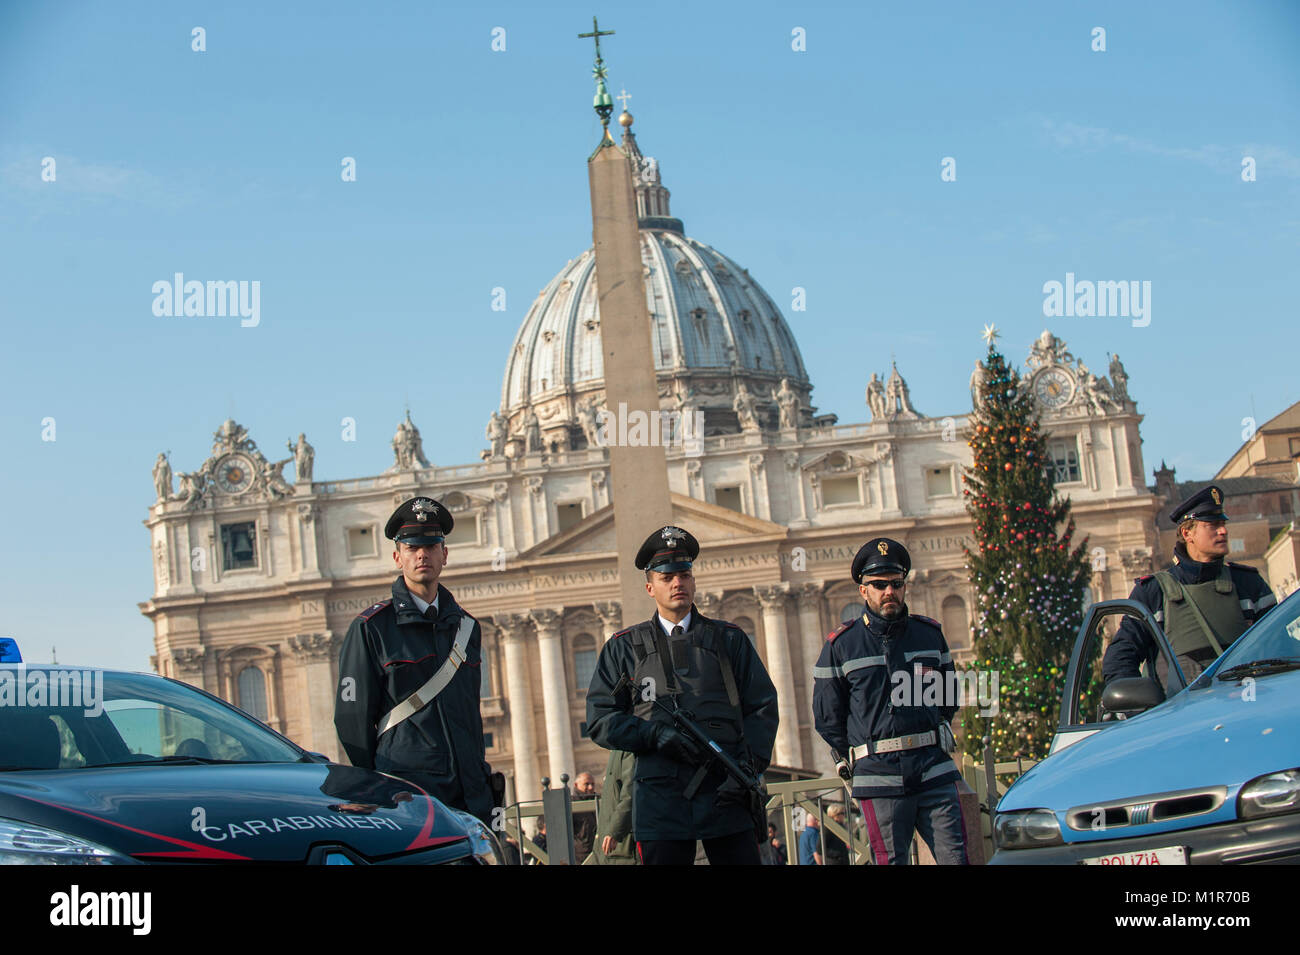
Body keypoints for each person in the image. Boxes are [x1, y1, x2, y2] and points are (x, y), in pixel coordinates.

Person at [586, 525, 779, 865]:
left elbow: (762, 708)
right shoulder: (624, 648)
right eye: (667, 577)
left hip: (726, 793)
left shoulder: (729, 640)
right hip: (660, 800)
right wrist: (652, 734)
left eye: (685, 575)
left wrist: (748, 768)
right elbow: (600, 720)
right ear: (650, 587)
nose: (678, 583)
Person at [333, 497, 493, 823]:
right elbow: (350, 719)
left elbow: (469, 713)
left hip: (469, 794)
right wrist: (377, 783)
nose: (423, 554)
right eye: (411, 547)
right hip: (408, 794)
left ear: (444, 555)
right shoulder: (371, 628)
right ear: (397, 557)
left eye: (432, 545)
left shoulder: (467, 627)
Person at [813, 538, 968, 865]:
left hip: (932, 768)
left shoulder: (929, 635)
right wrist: (863, 748)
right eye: (879, 585)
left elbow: (948, 697)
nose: (889, 592)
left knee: (956, 858)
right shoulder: (842, 645)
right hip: (878, 775)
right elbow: (828, 717)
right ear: (863, 591)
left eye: (896, 584)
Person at [1103, 485, 1278, 686]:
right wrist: (1139, 706)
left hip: (1245, 706)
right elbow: (1120, 658)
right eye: (1212, 525)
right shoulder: (1153, 593)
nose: (1223, 531)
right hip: (1182, 714)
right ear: (1187, 534)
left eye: (1223, 523)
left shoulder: (1248, 584)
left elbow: (1278, 646)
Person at [584, 748, 639, 865]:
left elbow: (630, 794)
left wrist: (615, 831)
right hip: (611, 846)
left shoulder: (627, 749)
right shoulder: (618, 750)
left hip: (621, 847)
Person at [572, 771, 599, 862]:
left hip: (597, 851)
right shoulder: (570, 803)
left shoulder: (598, 800)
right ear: (576, 785)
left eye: (592, 784)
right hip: (579, 855)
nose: (591, 787)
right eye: (586, 784)